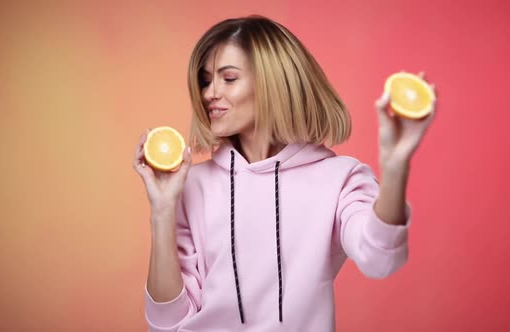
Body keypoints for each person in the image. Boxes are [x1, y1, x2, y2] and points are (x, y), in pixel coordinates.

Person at [132, 15, 436, 332]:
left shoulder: (339, 179)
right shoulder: (192, 184)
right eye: (206, 80)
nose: (210, 93)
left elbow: (380, 259)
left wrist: (395, 166)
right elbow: (167, 324)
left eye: (229, 79)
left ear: (273, 82)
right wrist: (162, 210)